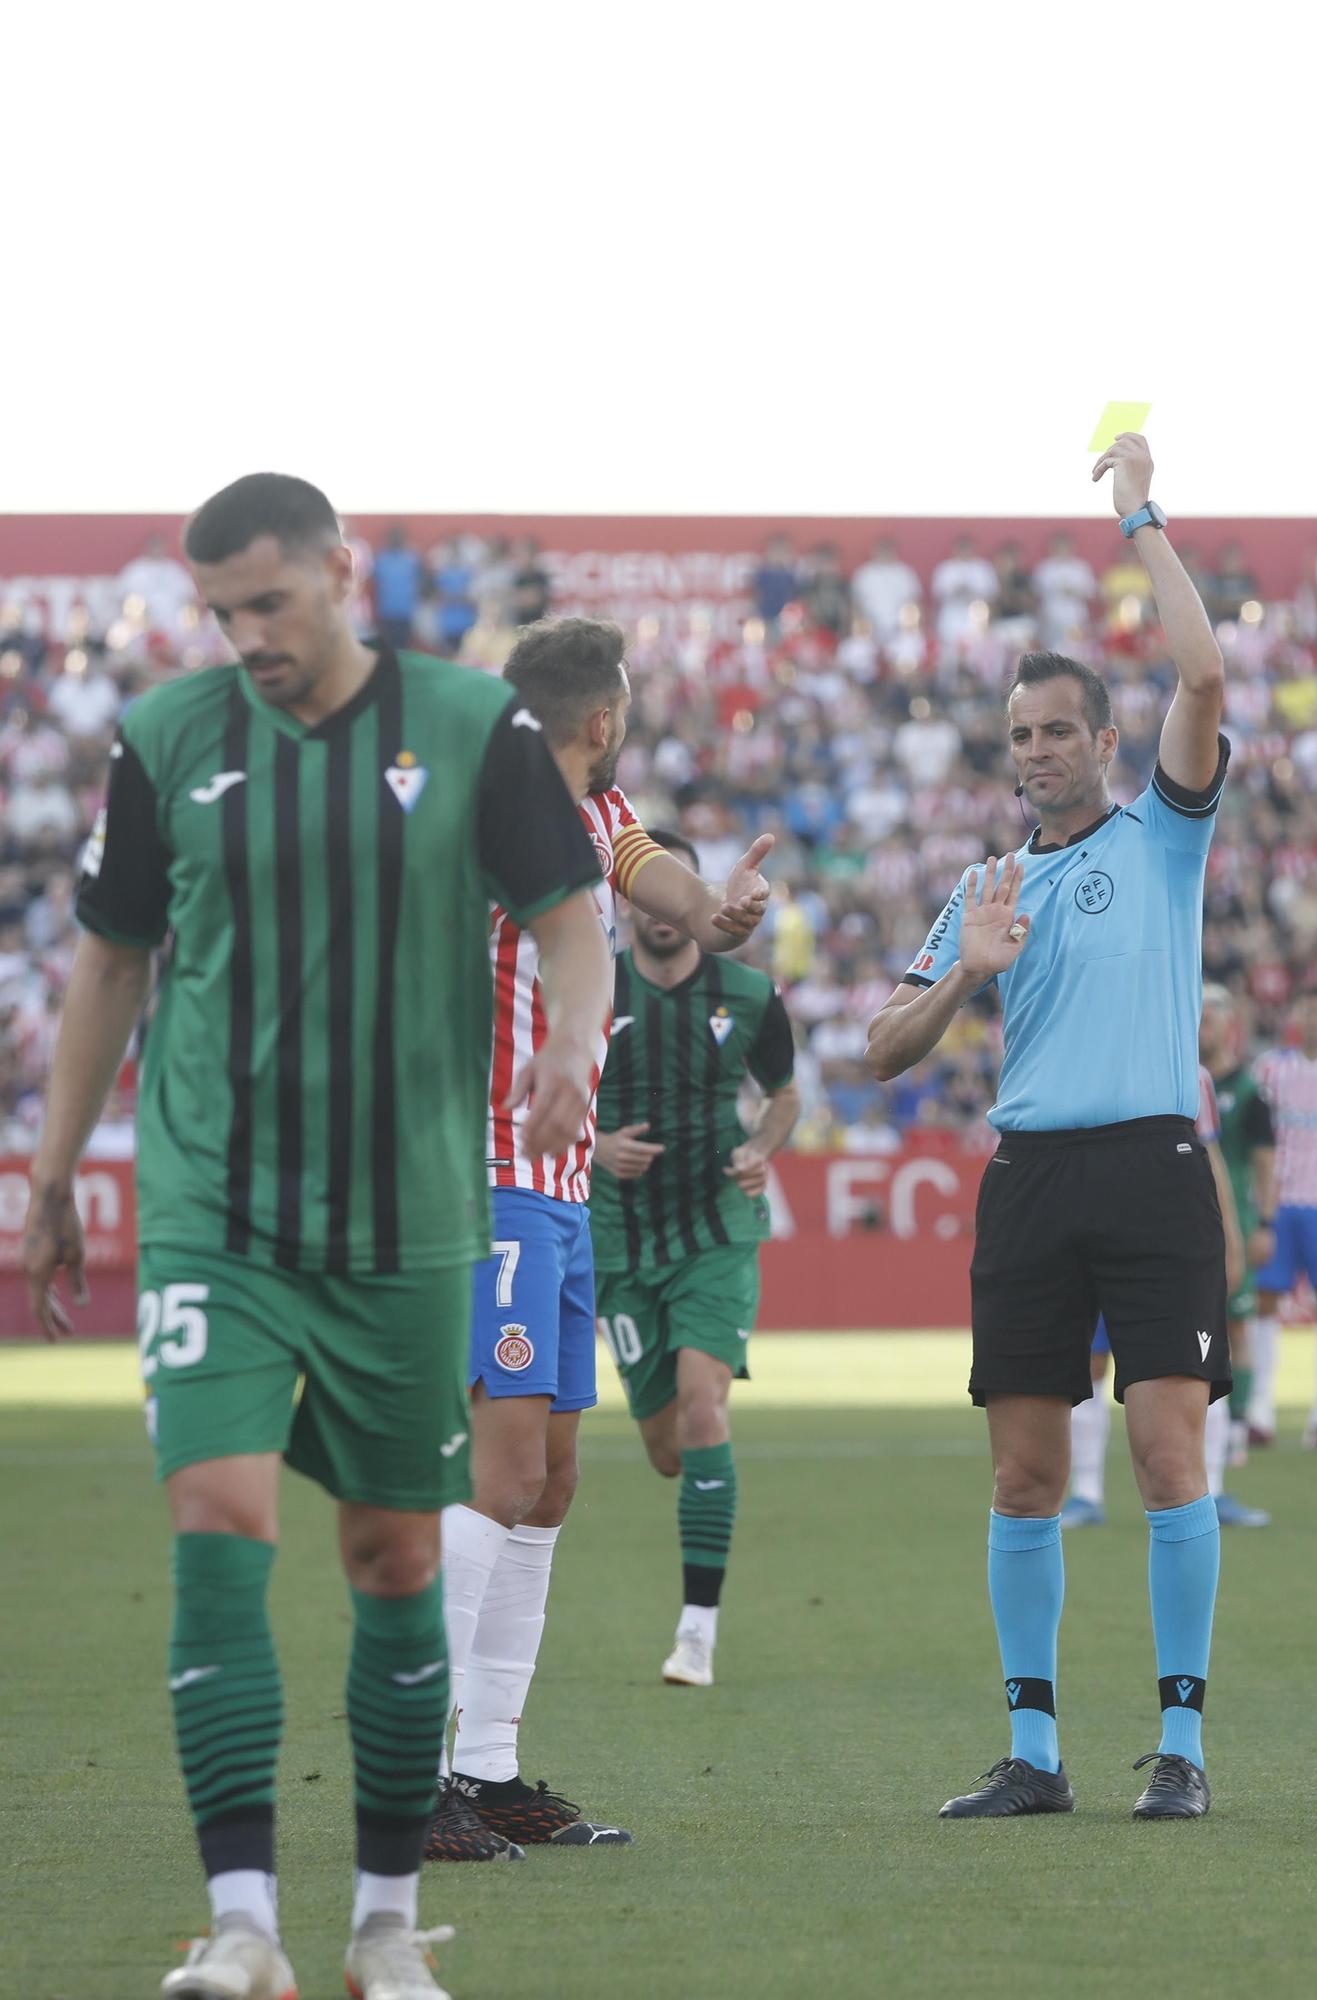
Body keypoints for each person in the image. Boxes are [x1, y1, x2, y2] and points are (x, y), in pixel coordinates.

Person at [23, 474, 610, 2000]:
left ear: (343, 573)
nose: (248, 637)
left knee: (393, 1552)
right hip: (214, 1207)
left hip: (410, 1215)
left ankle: (379, 1927)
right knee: (217, 1518)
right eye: (221, 612)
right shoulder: (168, 741)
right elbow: (107, 965)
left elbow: (569, 913)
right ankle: (241, 1927)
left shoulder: (473, 725)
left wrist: (569, 1040)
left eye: (270, 602)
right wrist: (52, 1167)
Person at [867, 434, 1230, 1823]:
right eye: (1017, 736)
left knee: (1161, 1453)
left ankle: (1180, 1749)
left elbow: (1200, 673)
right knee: (1022, 1470)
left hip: (1146, 1166)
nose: (1034, 754)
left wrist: (1136, 514)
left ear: (1102, 740)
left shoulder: (1160, 837)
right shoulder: (982, 887)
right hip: (1026, 1179)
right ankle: (1031, 1754)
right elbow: (882, 1047)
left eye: (1055, 732)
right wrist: (970, 965)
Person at [426, 618, 775, 1861]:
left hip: (562, 1192)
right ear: (600, 718)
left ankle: (490, 1764)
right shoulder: (484, 812)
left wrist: (718, 906)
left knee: (554, 1478)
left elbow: (653, 877)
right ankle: (419, 1773)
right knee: (504, 1466)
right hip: (492, 1176)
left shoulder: (598, 806)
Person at [590, 828, 799, 1688]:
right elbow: (533, 1089)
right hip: (618, 1240)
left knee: (703, 1412)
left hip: (716, 1227)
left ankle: (697, 1635)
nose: (662, 910)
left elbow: (784, 1096)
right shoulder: (586, 986)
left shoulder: (747, 992)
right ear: (629, 899)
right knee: (669, 1448)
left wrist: (763, 1146)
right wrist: (595, 1144)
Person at [1063, 1064, 1269, 1530]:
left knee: (1197, 1365)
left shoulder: (1189, 1073)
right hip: (1093, 1239)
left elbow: (1209, 1158)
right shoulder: (1082, 1056)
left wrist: (1230, 1238)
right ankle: (1087, 1492)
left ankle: (1211, 1488)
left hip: (1173, 1245)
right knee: (1091, 1363)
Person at [1248, 986, 1317, 1448]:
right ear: (1300, 1015)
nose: (1316, 1020)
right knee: (1264, 1300)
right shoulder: (1274, 1069)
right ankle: (1261, 1407)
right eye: (1310, 1010)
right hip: (1278, 1202)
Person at [1200, 984, 1278, 1463]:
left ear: (1229, 1025)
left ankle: (1237, 1425)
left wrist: (1264, 1222)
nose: (1199, 1027)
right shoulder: (1179, 1078)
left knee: (1237, 1323)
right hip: (1186, 1220)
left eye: (1208, 1018)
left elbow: (1266, 1164)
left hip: (1234, 1221)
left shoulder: (1248, 1091)